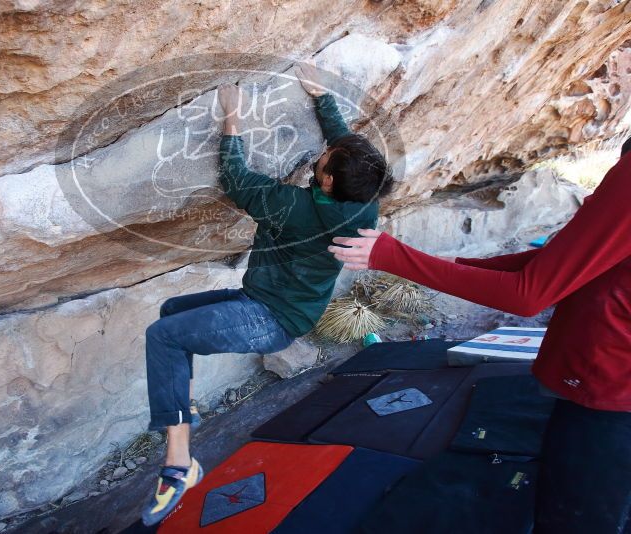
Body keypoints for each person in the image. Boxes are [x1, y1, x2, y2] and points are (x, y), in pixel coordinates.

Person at [328, 138, 631, 534]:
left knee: (578, 514)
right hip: (612, 375)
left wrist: (391, 256)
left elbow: (528, 295)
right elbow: (568, 261)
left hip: (611, 390)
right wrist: (461, 265)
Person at [141, 62, 394, 525]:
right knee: (172, 311)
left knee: (165, 336)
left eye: (323, 162)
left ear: (327, 181)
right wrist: (322, 98)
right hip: (276, 306)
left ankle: (179, 462)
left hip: (269, 318)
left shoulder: (293, 208)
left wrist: (231, 117)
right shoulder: (364, 204)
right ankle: (182, 399)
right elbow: (347, 151)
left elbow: (236, 179)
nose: (321, 156)